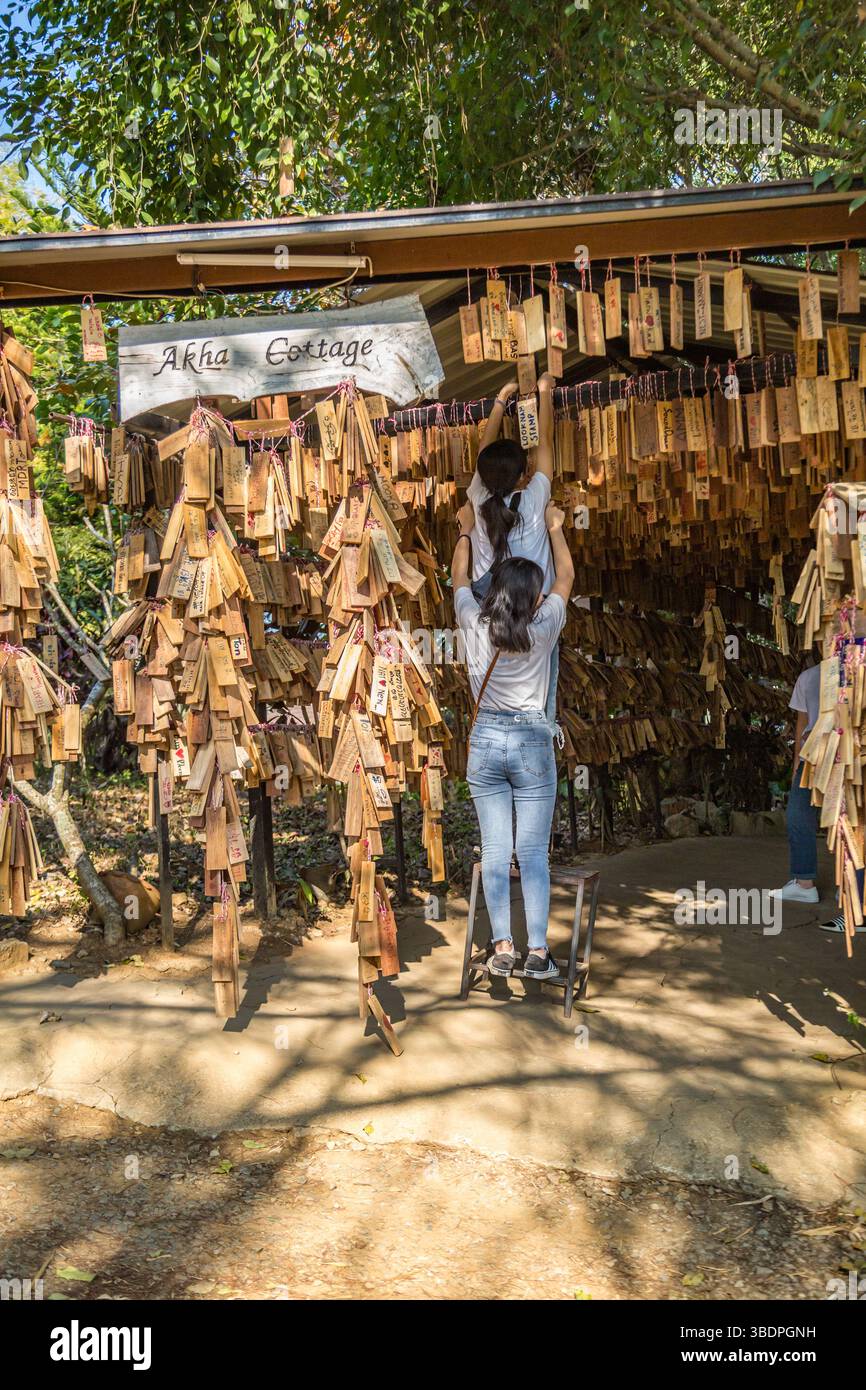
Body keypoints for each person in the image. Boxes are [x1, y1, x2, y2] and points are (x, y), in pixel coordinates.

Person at [452, 498, 574, 978]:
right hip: (530, 745)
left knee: (496, 850)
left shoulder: (473, 622)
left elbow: (460, 581)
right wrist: (556, 527)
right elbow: (565, 576)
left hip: (485, 743)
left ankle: (502, 944)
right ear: (532, 598)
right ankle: (538, 952)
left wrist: (464, 531)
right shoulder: (543, 628)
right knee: (533, 854)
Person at [462, 373, 560, 727]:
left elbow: (482, 455)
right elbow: (545, 442)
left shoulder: (478, 497)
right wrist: (545, 394)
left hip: (487, 607)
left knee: (490, 685)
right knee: (539, 691)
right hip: (531, 605)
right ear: (524, 476)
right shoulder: (533, 499)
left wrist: (501, 400)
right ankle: (539, 736)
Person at [770, 655, 865, 933]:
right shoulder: (809, 676)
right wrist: (797, 761)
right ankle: (803, 884)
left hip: (850, 751)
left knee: (852, 824)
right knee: (798, 815)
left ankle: (855, 899)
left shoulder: (860, 673)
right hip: (814, 754)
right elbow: (802, 723)